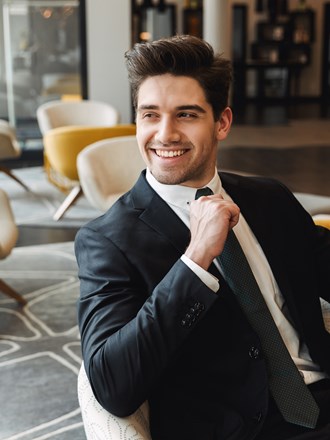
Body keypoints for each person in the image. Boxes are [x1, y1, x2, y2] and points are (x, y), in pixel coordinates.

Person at [75, 35, 330, 440]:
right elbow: (112, 387)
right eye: (150, 115)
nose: (165, 134)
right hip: (235, 429)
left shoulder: (270, 198)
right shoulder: (107, 240)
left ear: (222, 122)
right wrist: (195, 260)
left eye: (187, 115)